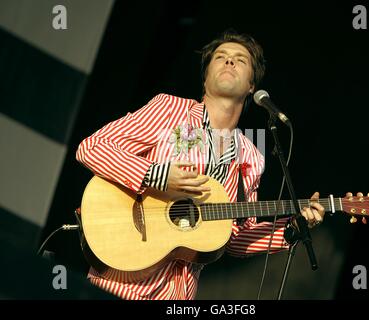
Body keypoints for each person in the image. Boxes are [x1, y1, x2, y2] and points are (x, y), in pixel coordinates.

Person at [76, 29, 325, 300]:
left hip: (178, 295)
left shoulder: (251, 155)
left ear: (252, 86)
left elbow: (235, 235)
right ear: (206, 77)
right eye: (221, 57)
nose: (230, 62)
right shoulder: (170, 110)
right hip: (121, 281)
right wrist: (157, 175)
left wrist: (290, 230)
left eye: (240, 60)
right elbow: (92, 148)